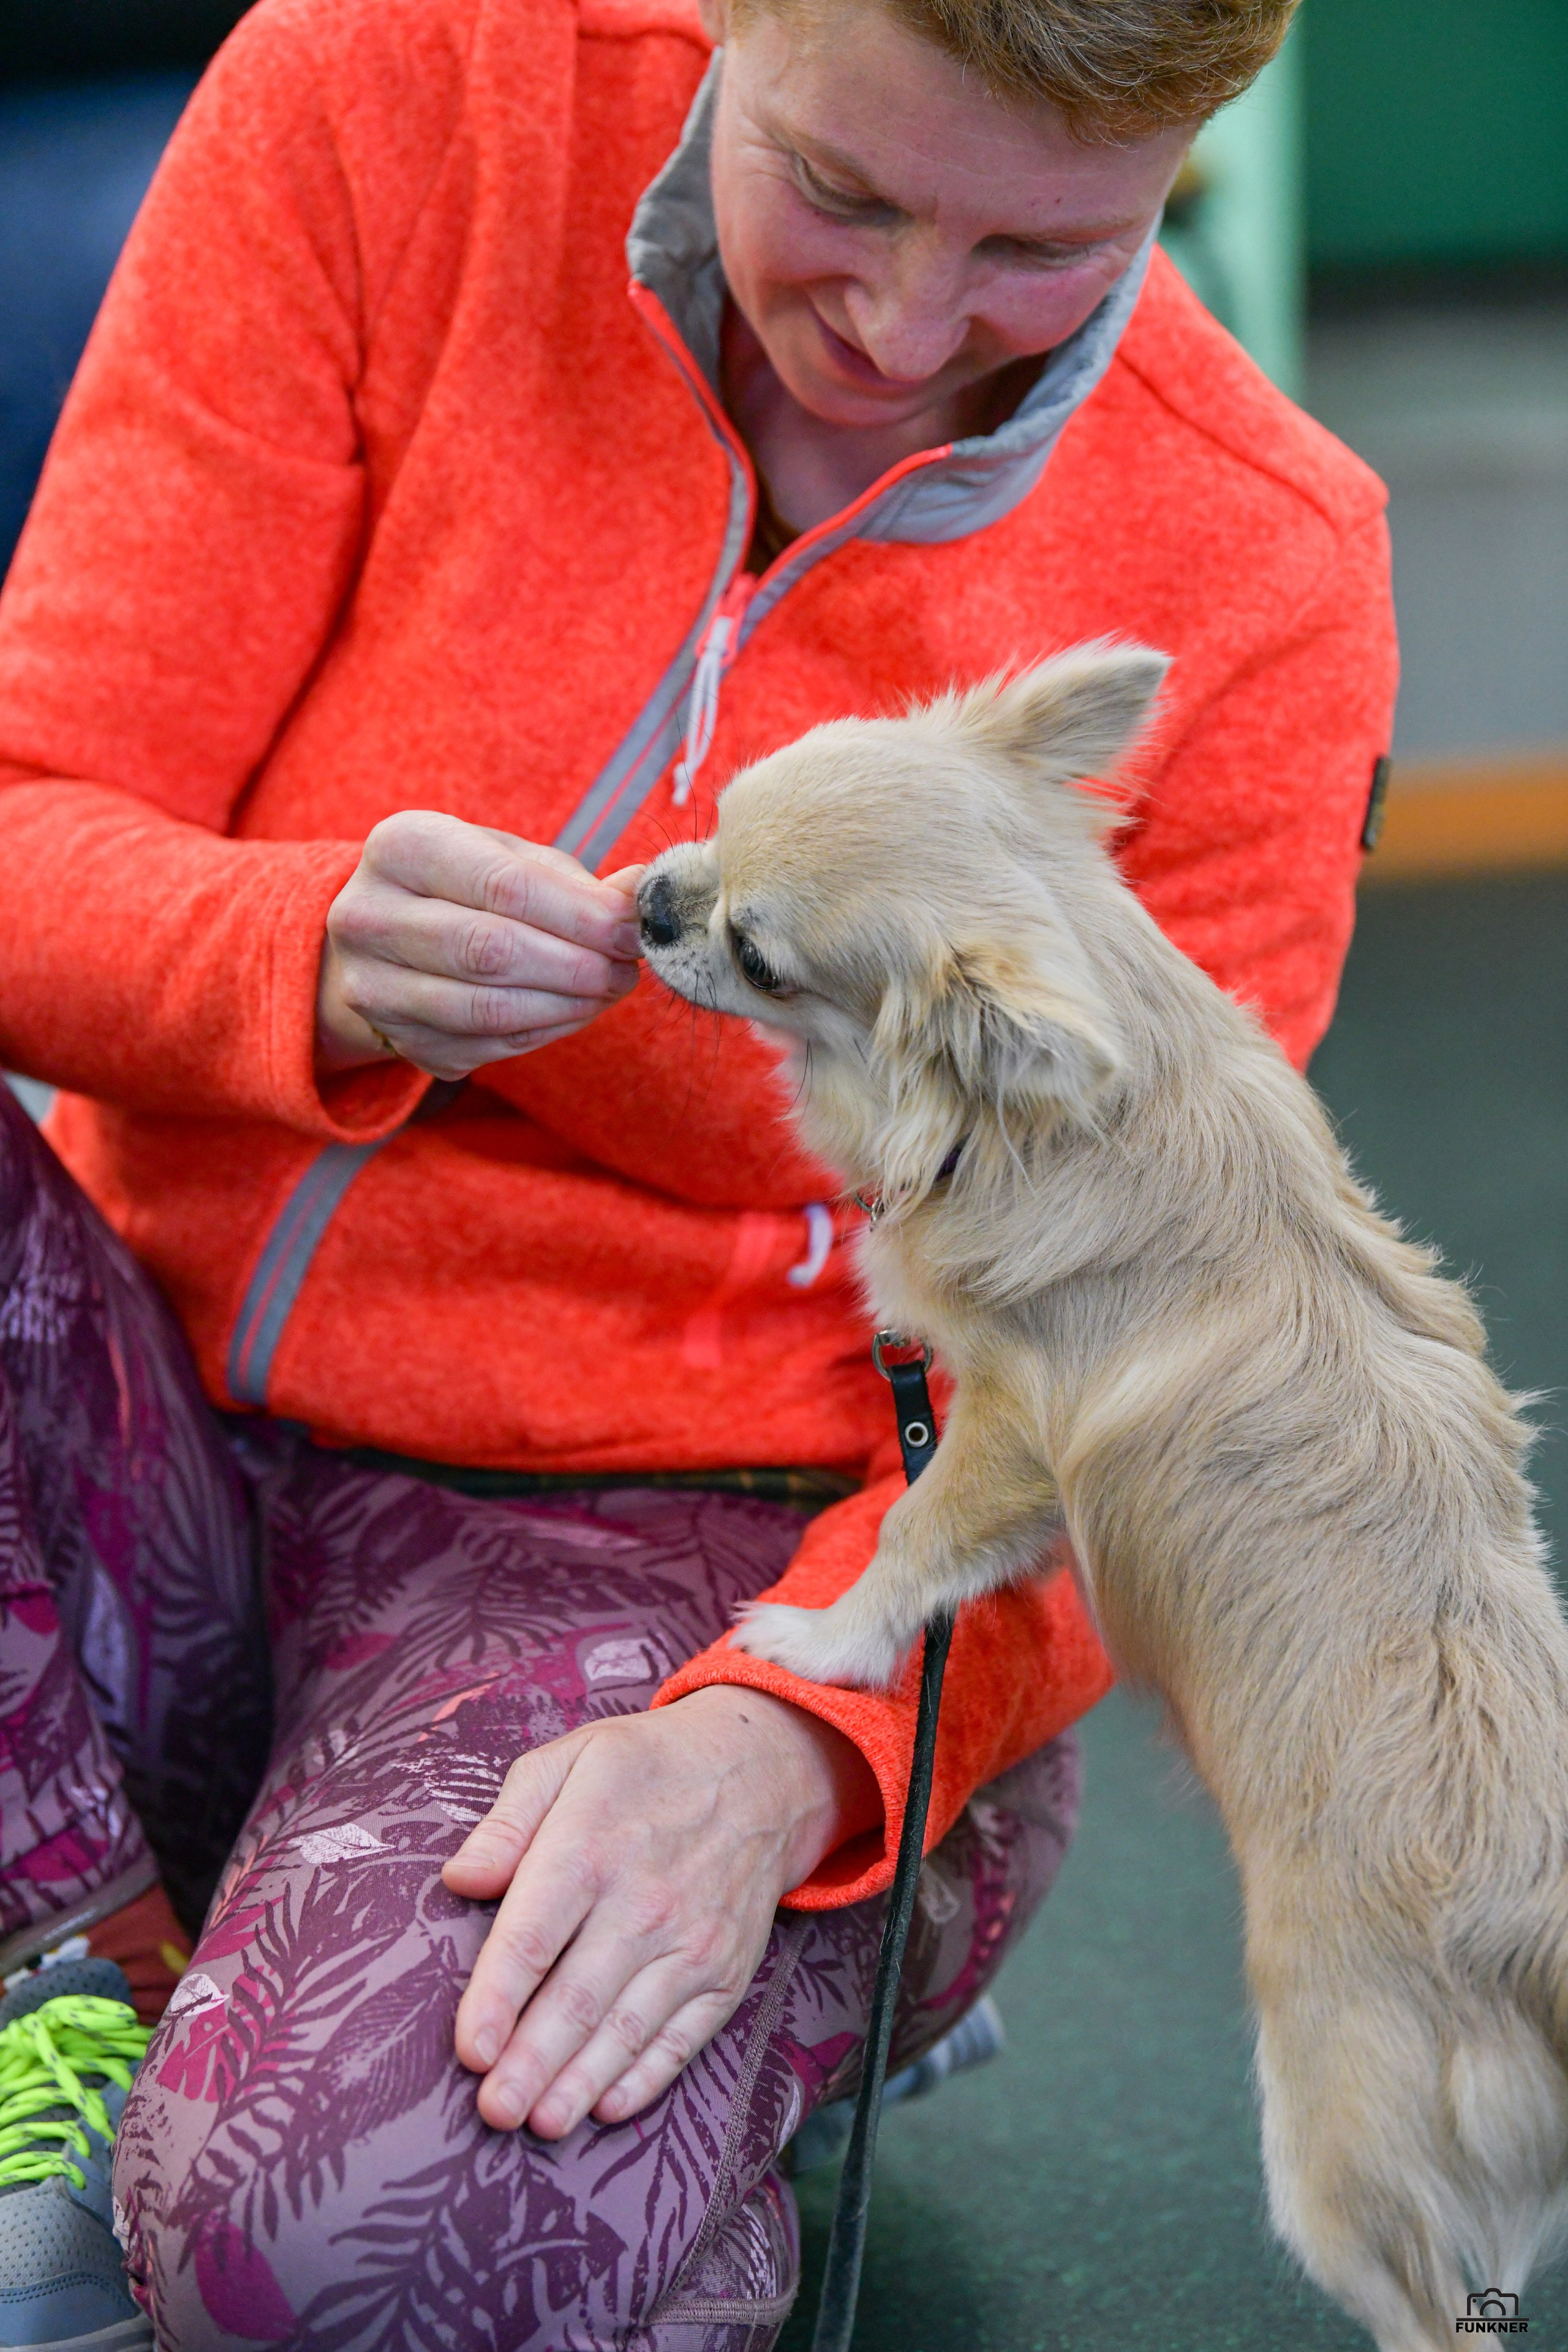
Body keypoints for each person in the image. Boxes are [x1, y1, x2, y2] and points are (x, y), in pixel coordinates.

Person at [0, 0, 1396, 2334]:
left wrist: (795, 1753)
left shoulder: (1264, 570)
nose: (903, 330)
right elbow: (31, 817)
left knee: (335, 2255)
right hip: (143, 1449)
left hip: (706, 1569)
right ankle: (81, 1983)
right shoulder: (382, 100)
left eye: (1043, 250)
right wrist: (294, 953)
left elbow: (1159, 1383)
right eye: (840, 189)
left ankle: (728, 1984)